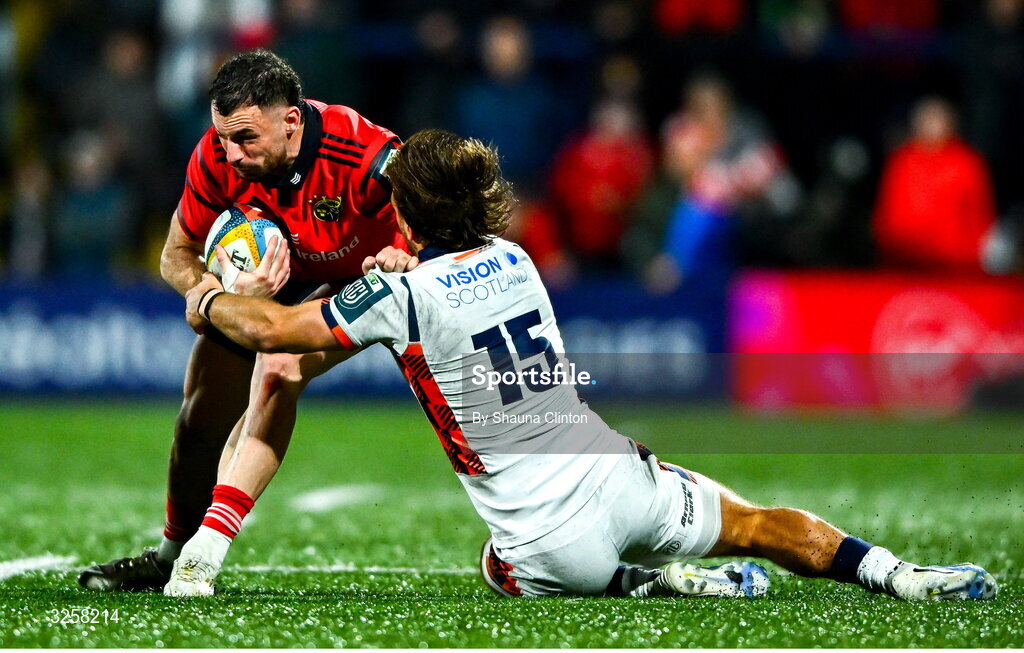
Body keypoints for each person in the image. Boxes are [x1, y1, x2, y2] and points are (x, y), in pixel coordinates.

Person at [171, 129, 997, 601]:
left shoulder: (398, 296)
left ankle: (644, 584)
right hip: (619, 476)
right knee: (758, 522)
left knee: (495, 567)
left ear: (406, 215)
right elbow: (449, 285)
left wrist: (208, 298)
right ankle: (900, 574)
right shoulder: (517, 257)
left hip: (546, 544)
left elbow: (277, 333)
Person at [78, 50, 416, 592]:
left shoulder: (363, 149)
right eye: (224, 138)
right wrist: (212, 291)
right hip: (278, 280)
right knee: (200, 412)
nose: (232, 154)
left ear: (291, 121)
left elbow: (433, 212)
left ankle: (206, 552)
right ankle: (170, 555)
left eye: (246, 139)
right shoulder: (215, 156)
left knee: (279, 367)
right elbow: (175, 255)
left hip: (371, 278)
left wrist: (407, 250)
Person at [873, 97, 998, 272]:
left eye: (937, 119)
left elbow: (979, 213)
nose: (932, 126)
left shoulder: (967, 163)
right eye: (927, 120)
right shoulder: (902, 162)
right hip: (904, 262)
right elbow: (887, 212)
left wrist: (973, 252)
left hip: (957, 265)